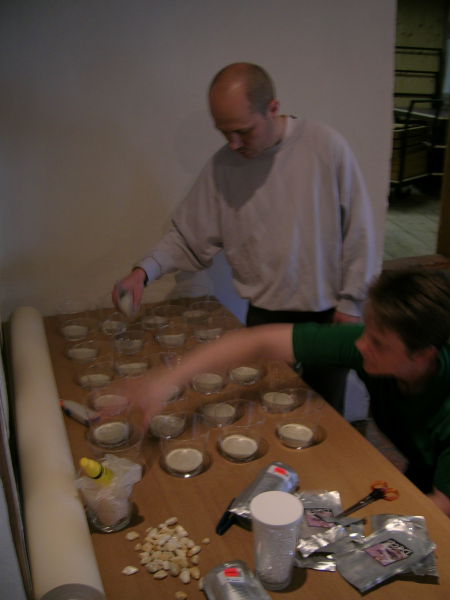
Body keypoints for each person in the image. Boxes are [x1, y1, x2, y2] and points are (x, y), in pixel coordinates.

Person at [112, 62, 379, 411]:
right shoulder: (223, 166)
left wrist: (352, 305)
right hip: (264, 315)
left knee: (323, 416)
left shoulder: (325, 146)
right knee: (267, 413)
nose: (234, 144)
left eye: (243, 131)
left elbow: (359, 232)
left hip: (329, 316)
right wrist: (142, 272)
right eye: (224, 133)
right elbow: (188, 235)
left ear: (273, 108)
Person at [128, 268, 450, 517]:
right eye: (367, 329)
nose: (361, 345)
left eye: (378, 343)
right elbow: (260, 341)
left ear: (424, 354)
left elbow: (440, 508)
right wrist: (165, 381)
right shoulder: (375, 348)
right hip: (423, 470)